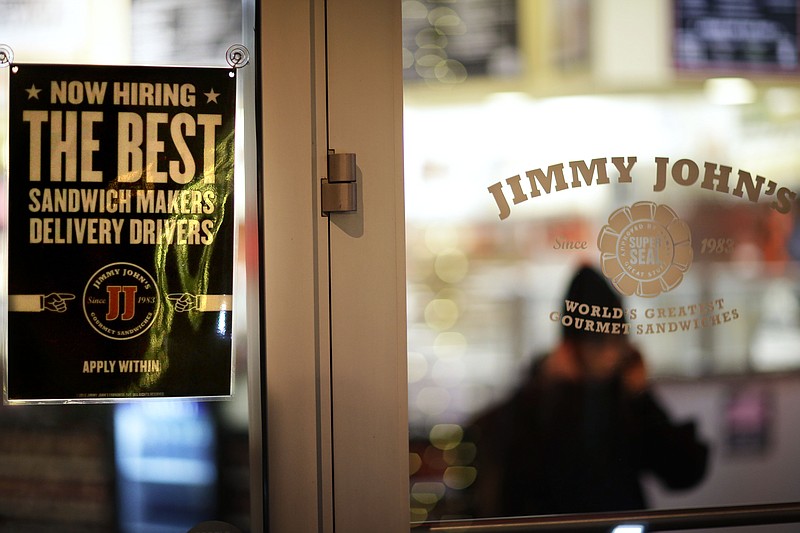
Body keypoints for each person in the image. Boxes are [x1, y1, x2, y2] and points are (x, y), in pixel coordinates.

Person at [466, 265, 709, 517]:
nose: (610, 355)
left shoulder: (624, 396)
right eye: (598, 343)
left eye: (617, 340)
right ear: (572, 347)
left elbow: (684, 471)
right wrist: (557, 387)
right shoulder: (538, 400)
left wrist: (641, 396)